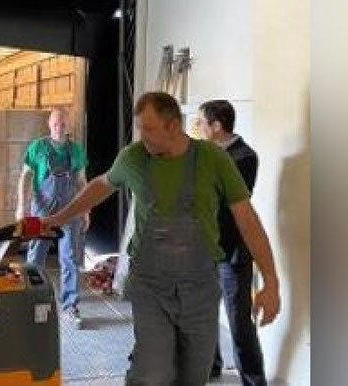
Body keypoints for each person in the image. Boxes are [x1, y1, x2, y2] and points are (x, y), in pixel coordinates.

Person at [40, 92, 280, 385]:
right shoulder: (134, 157)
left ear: (173, 126)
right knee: (153, 371)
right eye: (140, 128)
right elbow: (101, 185)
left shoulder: (212, 158)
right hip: (150, 285)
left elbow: (247, 218)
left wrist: (271, 281)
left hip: (200, 287)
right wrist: (58, 219)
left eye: (149, 129)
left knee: (193, 375)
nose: (143, 137)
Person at [197, 100, 266, 385]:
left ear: (216, 126)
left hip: (232, 252)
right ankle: (211, 366)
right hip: (205, 249)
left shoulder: (245, 157)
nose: (197, 128)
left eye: (201, 123)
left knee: (239, 323)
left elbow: (231, 202)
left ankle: (253, 380)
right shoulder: (206, 154)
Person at [16, 107, 89, 329]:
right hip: (42, 210)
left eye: (63, 124)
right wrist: (21, 207)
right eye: (56, 123)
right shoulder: (37, 147)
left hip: (70, 209)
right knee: (35, 256)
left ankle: (70, 306)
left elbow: (81, 181)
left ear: (68, 126)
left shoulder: (75, 150)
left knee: (70, 258)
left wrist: (86, 210)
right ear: (49, 124)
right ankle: (31, 301)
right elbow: (24, 177)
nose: (59, 127)